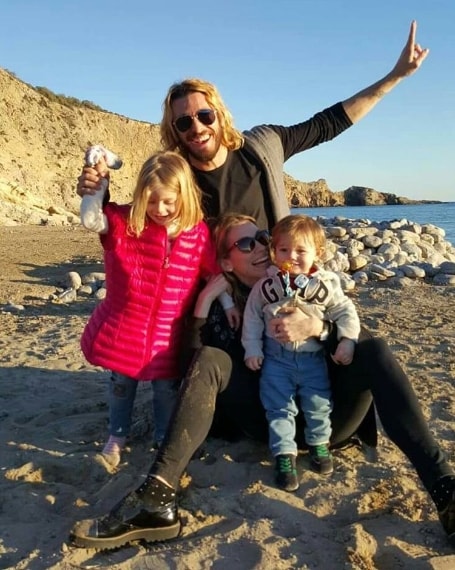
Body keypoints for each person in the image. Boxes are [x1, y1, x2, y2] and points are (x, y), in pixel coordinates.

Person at [69, 213, 455, 550]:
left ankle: (444, 489)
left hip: (329, 419)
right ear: (226, 260)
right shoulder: (224, 308)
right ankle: (158, 497)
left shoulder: (307, 283)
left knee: (376, 349)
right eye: (245, 243)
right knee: (210, 358)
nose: (261, 247)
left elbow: (354, 334)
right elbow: (189, 373)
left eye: (263, 238)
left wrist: (320, 329)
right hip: (265, 420)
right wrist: (204, 303)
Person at [79, 150, 220, 466]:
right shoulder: (126, 223)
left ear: (184, 195)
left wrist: (226, 301)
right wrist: (98, 185)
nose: (160, 209)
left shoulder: (197, 233)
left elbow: (213, 273)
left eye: (169, 201)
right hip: (125, 327)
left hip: (168, 333)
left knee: (166, 390)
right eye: (152, 200)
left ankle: (162, 437)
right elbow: (90, 219)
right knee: (120, 385)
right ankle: (117, 435)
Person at [242, 214, 361, 488]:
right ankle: (284, 455)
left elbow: (345, 311)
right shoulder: (266, 286)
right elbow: (252, 318)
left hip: (312, 359)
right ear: (274, 251)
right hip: (276, 361)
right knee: (278, 407)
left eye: (300, 251)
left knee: (318, 403)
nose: (291, 257)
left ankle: (319, 444)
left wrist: (347, 340)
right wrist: (252, 348)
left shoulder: (325, 284)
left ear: (317, 252)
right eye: (284, 250)